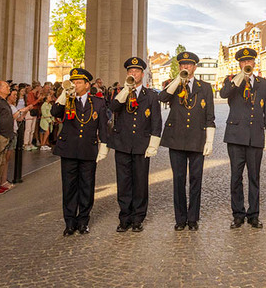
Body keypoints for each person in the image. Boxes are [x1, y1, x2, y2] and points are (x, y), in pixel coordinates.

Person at [159, 51, 215, 231]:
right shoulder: (173, 86)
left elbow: (210, 116)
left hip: (197, 139)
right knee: (178, 180)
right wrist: (178, 80)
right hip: (176, 140)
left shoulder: (204, 87)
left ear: (195, 67)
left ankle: (193, 218)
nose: (185, 67)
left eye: (188, 65)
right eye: (182, 64)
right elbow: (162, 98)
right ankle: (180, 219)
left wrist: (209, 141)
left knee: (195, 180)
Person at [220, 47, 266, 229]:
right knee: (236, 177)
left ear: (254, 63)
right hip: (235, 137)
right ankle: (237, 214)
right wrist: (239, 78)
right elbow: (224, 94)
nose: (246, 64)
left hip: (255, 136)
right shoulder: (231, 81)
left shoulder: (263, 83)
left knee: (254, 177)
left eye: (249, 61)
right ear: (239, 64)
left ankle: (254, 215)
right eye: (243, 62)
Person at [108, 57, 162, 232]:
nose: (133, 74)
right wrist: (126, 89)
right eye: (130, 71)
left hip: (141, 144)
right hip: (123, 143)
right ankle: (125, 217)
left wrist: (153, 144)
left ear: (142, 74)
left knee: (140, 182)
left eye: (136, 71)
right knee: (123, 182)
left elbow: (156, 121)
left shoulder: (151, 95)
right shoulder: (121, 93)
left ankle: (138, 217)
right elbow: (114, 108)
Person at [52, 68, 108, 235]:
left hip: (88, 150)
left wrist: (104, 145)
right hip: (68, 149)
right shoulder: (67, 100)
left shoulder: (97, 102)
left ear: (87, 85)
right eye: (73, 82)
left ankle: (83, 220)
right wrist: (65, 93)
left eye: (78, 82)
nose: (75, 85)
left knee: (86, 186)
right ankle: (69, 222)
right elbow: (55, 112)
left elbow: (102, 126)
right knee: (69, 187)